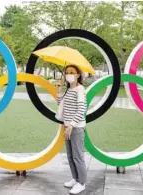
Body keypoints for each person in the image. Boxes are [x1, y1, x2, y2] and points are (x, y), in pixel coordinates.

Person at [56, 65, 87, 195]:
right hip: (67, 126)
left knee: (78, 156)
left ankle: (82, 183)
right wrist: (59, 90)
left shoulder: (80, 89)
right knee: (70, 155)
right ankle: (75, 179)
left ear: (78, 75)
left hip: (76, 128)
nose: (69, 74)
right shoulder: (69, 90)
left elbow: (81, 109)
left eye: (72, 72)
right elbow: (61, 106)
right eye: (67, 72)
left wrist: (72, 125)